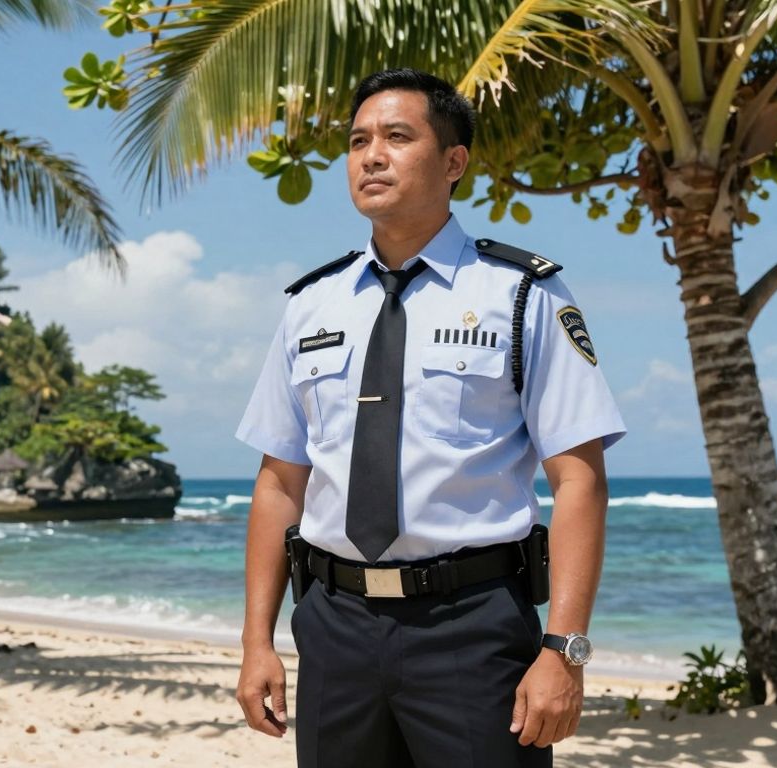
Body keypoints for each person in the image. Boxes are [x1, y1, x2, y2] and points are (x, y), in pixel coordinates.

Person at [233, 67, 626, 768]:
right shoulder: (311, 305)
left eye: (396, 137)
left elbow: (579, 481)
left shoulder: (521, 294)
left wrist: (563, 652)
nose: (371, 156)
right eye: (357, 141)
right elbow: (280, 482)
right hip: (333, 623)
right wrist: (257, 642)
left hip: (470, 625)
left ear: (454, 163)